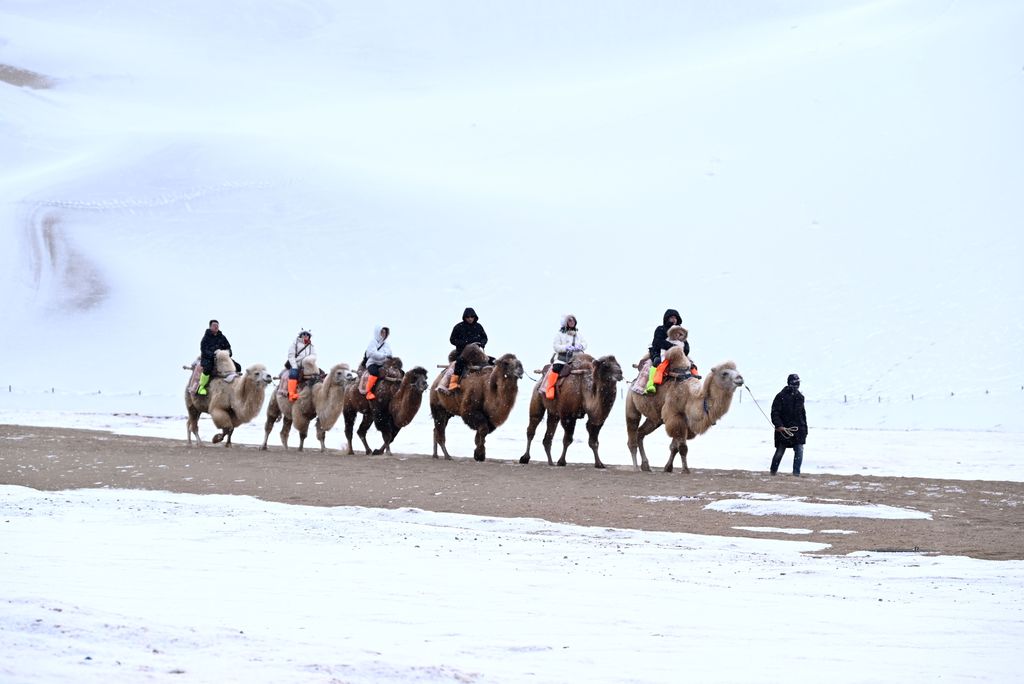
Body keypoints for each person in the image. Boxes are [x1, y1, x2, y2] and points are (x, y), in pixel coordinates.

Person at [645, 309, 697, 393]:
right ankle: (651, 383)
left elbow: (686, 345)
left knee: (691, 364)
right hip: (660, 353)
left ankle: (695, 380)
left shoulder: (680, 332)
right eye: (672, 317)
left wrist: (683, 350)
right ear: (667, 318)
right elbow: (657, 342)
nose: (674, 319)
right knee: (656, 362)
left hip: (679, 355)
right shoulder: (660, 329)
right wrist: (674, 348)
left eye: (675, 318)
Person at [770, 373, 808, 476]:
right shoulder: (780, 396)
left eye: (798, 382)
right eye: (795, 382)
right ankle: (773, 472)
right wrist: (779, 425)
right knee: (779, 452)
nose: (797, 385)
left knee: (799, 451)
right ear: (790, 383)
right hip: (783, 431)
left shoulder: (800, 397)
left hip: (798, 431)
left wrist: (805, 430)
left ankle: (796, 474)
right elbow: (775, 412)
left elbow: (802, 414)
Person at [544, 314, 587, 400]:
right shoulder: (559, 335)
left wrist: (580, 346)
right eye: (569, 320)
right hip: (562, 359)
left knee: (589, 368)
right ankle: (549, 389)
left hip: (577, 358)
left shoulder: (578, 335)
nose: (572, 322)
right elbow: (556, 346)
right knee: (556, 369)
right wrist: (566, 347)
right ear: (565, 323)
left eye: (573, 320)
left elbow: (585, 343)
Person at [447, 307, 488, 391]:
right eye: (468, 317)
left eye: (472, 317)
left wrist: (482, 343)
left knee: (491, 360)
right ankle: (453, 383)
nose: (470, 319)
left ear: (475, 317)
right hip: (462, 353)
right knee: (459, 363)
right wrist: (464, 343)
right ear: (464, 317)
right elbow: (452, 339)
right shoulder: (458, 327)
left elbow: (484, 337)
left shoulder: (478, 327)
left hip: (477, 353)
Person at [197, 319, 235, 396]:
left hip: (222, 358)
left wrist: (228, 353)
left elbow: (228, 347)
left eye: (217, 325)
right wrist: (213, 355)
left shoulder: (222, 337)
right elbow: (203, 349)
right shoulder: (206, 338)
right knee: (208, 368)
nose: (216, 327)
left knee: (237, 366)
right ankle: (201, 387)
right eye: (214, 325)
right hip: (208, 358)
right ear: (210, 327)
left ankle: (233, 386)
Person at [285, 330, 316, 401]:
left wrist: (310, 361)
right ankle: (291, 395)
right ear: (301, 335)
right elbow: (291, 356)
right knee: (293, 374)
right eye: (304, 334)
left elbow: (314, 355)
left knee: (320, 374)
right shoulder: (295, 344)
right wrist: (294, 366)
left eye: (307, 334)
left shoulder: (311, 346)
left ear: (309, 336)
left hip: (308, 364)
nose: (305, 335)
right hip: (297, 364)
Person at [363, 325, 392, 400]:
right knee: (374, 373)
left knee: (392, 373)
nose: (384, 334)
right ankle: (368, 392)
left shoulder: (386, 344)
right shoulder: (372, 342)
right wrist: (384, 355)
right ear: (378, 332)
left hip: (383, 364)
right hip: (373, 363)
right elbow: (373, 353)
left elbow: (390, 354)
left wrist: (384, 356)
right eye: (382, 332)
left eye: (385, 332)